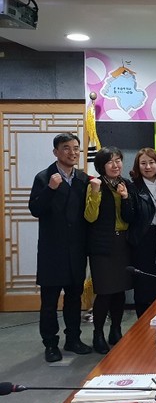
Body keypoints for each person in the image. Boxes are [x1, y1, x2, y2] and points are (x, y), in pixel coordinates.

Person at [28, 133, 92, 362]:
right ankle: (50, 344)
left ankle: (73, 339)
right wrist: (50, 189)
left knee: (74, 298)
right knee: (49, 302)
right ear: (56, 152)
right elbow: (35, 209)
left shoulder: (83, 179)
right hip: (52, 251)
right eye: (66, 148)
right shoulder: (44, 177)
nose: (72, 152)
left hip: (76, 249)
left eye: (76, 148)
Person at [84, 146, 136, 354]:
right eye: (110, 161)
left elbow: (130, 217)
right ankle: (98, 334)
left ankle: (116, 330)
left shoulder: (126, 184)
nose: (115, 165)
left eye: (118, 160)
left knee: (120, 291)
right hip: (102, 245)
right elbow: (90, 217)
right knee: (105, 292)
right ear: (101, 165)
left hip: (122, 244)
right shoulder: (94, 184)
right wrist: (95, 192)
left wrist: (125, 197)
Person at [129, 147, 156, 317]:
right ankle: (142, 323)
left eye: (151, 162)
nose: (148, 167)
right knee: (144, 286)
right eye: (143, 163)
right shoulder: (132, 187)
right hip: (143, 240)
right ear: (138, 166)